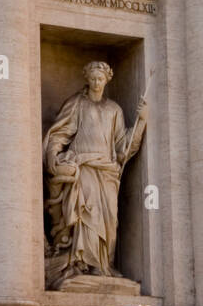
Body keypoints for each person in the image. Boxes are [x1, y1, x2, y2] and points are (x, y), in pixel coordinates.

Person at [44, 60, 146, 279]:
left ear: (107, 80)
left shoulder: (114, 110)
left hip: (107, 171)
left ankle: (103, 264)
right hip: (84, 166)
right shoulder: (77, 104)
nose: (96, 82)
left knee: (109, 220)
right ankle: (83, 263)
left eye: (100, 79)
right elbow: (60, 133)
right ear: (87, 80)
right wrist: (53, 155)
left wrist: (142, 122)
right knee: (88, 215)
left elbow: (123, 148)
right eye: (92, 78)